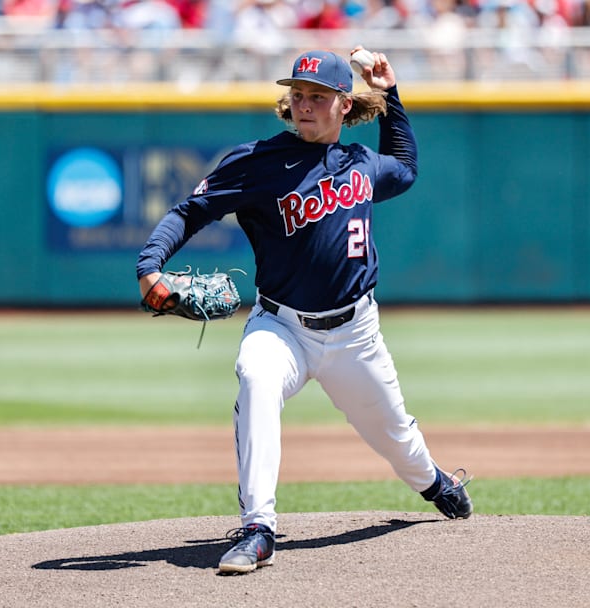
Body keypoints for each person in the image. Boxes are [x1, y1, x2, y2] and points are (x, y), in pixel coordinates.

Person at [136, 47, 472, 575]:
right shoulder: (258, 162)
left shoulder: (361, 163)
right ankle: (257, 528)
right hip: (281, 325)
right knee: (256, 378)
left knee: (397, 438)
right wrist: (150, 264)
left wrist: (391, 93)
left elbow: (404, 169)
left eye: (318, 96)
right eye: (297, 95)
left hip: (356, 335)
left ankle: (434, 481)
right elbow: (189, 211)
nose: (305, 104)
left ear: (344, 104)